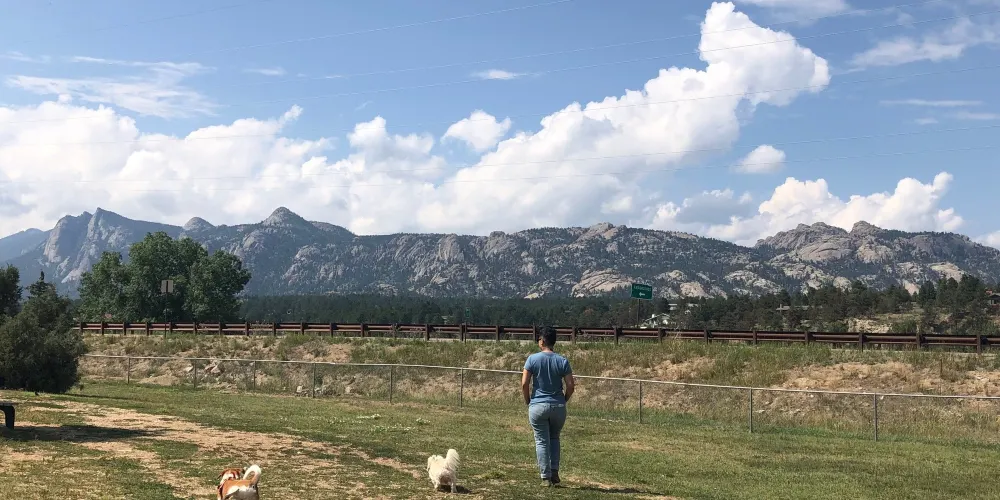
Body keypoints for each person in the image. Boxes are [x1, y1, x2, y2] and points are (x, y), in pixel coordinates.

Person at [521, 326, 575, 487]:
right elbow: (570, 385)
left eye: (539, 339)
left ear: (542, 341)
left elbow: (524, 383)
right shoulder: (562, 360)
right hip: (558, 405)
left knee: (541, 441)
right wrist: (564, 400)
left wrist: (528, 400)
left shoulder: (532, 359)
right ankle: (555, 471)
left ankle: (545, 476)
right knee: (554, 438)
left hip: (538, 405)